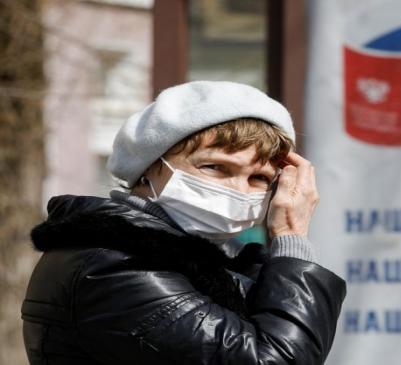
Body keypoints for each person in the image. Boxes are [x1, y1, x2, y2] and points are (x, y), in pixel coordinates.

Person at [21, 81, 346, 364]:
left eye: (259, 177)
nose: (237, 189)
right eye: (214, 168)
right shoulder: (116, 263)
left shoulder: (208, 260)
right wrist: (291, 237)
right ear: (148, 168)